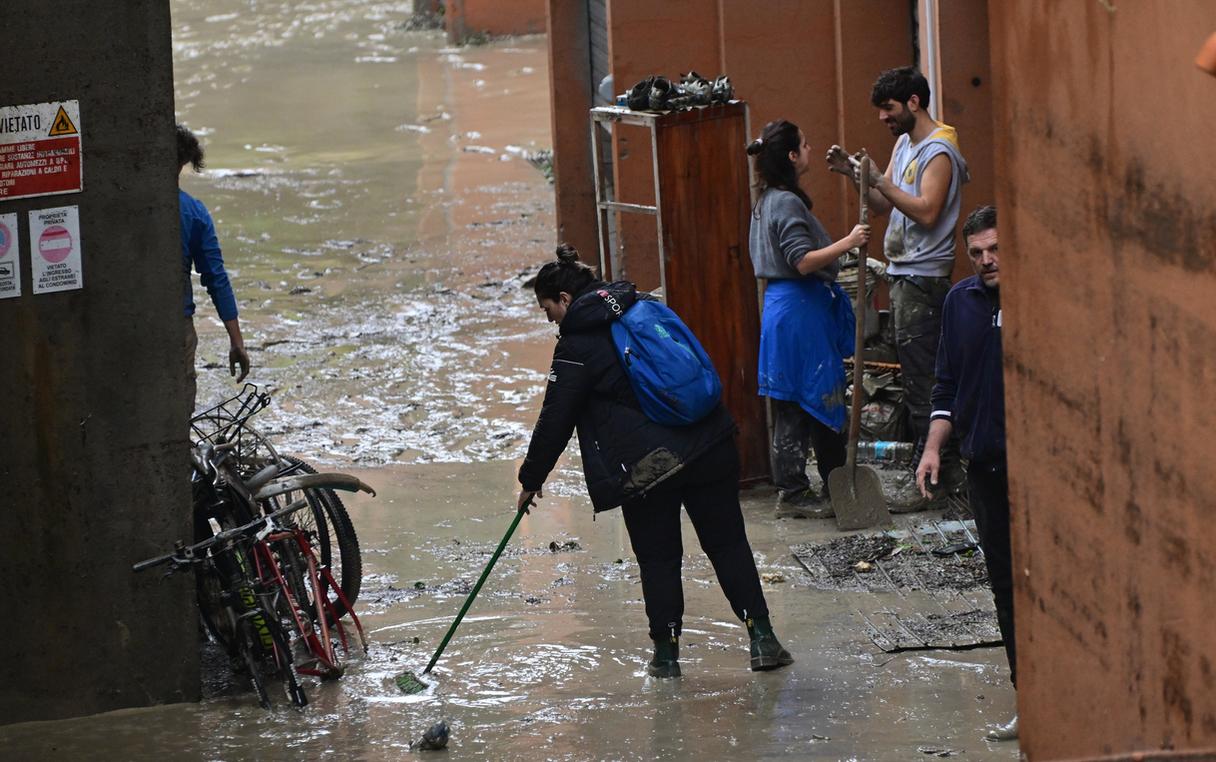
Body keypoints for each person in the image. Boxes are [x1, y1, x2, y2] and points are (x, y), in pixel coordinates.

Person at [516, 244, 793, 678]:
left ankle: (666, 658)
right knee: (727, 544)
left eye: (547, 309)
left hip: (649, 466)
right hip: (710, 440)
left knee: (659, 559)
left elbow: (555, 419)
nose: (548, 318)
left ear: (565, 300)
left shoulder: (576, 345)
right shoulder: (641, 303)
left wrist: (530, 479)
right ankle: (763, 640)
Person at [826, 66, 969, 509]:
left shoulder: (939, 150)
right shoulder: (905, 144)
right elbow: (881, 206)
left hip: (924, 280)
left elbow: (926, 212)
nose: (884, 119)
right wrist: (854, 174)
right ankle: (936, 475)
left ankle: (938, 481)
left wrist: (880, 179)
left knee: (925, 383)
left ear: (913, 102)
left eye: (888, 109)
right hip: (905, 275)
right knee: (916, 380)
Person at [915, 205, 1017, 741]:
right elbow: (946, 386)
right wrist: (933, 448)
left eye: (995, 249)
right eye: (976, 253)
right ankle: (1030, 699)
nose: (986, 260)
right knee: (1004, 586)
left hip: (1037, 474)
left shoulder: (1039, 297)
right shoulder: (961, 303)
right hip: (984, 466)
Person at [746, 120, 870, 518]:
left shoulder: (768, 199)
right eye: (806, 144)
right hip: (798, 311)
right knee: (810, 396)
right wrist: (848, 243)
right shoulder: (784, 201)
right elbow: (801, 260)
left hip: (788, 310)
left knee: (793, 402)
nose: (811, 148)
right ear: (792, 156)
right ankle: (804, 492)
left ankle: (799, 490)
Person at [177, 124, 250, 414]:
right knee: (179, 410)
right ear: (184, 163)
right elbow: (216, 279)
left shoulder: (122, 205)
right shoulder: (193, 213)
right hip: (175, 324)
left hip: (123, 321)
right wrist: (236, 341)